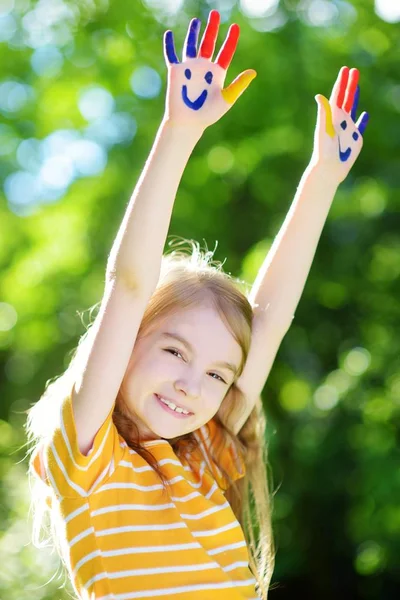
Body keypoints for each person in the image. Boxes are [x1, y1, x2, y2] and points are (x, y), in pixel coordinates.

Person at [25, 9, 369, 600]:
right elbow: (129, 284)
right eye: (175, 350)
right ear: (126, 338)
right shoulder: (88, 455)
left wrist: (322, 180)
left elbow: (272, 317)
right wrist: (179, 130)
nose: (192, 386)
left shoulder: (205, 456)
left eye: (216, 373)